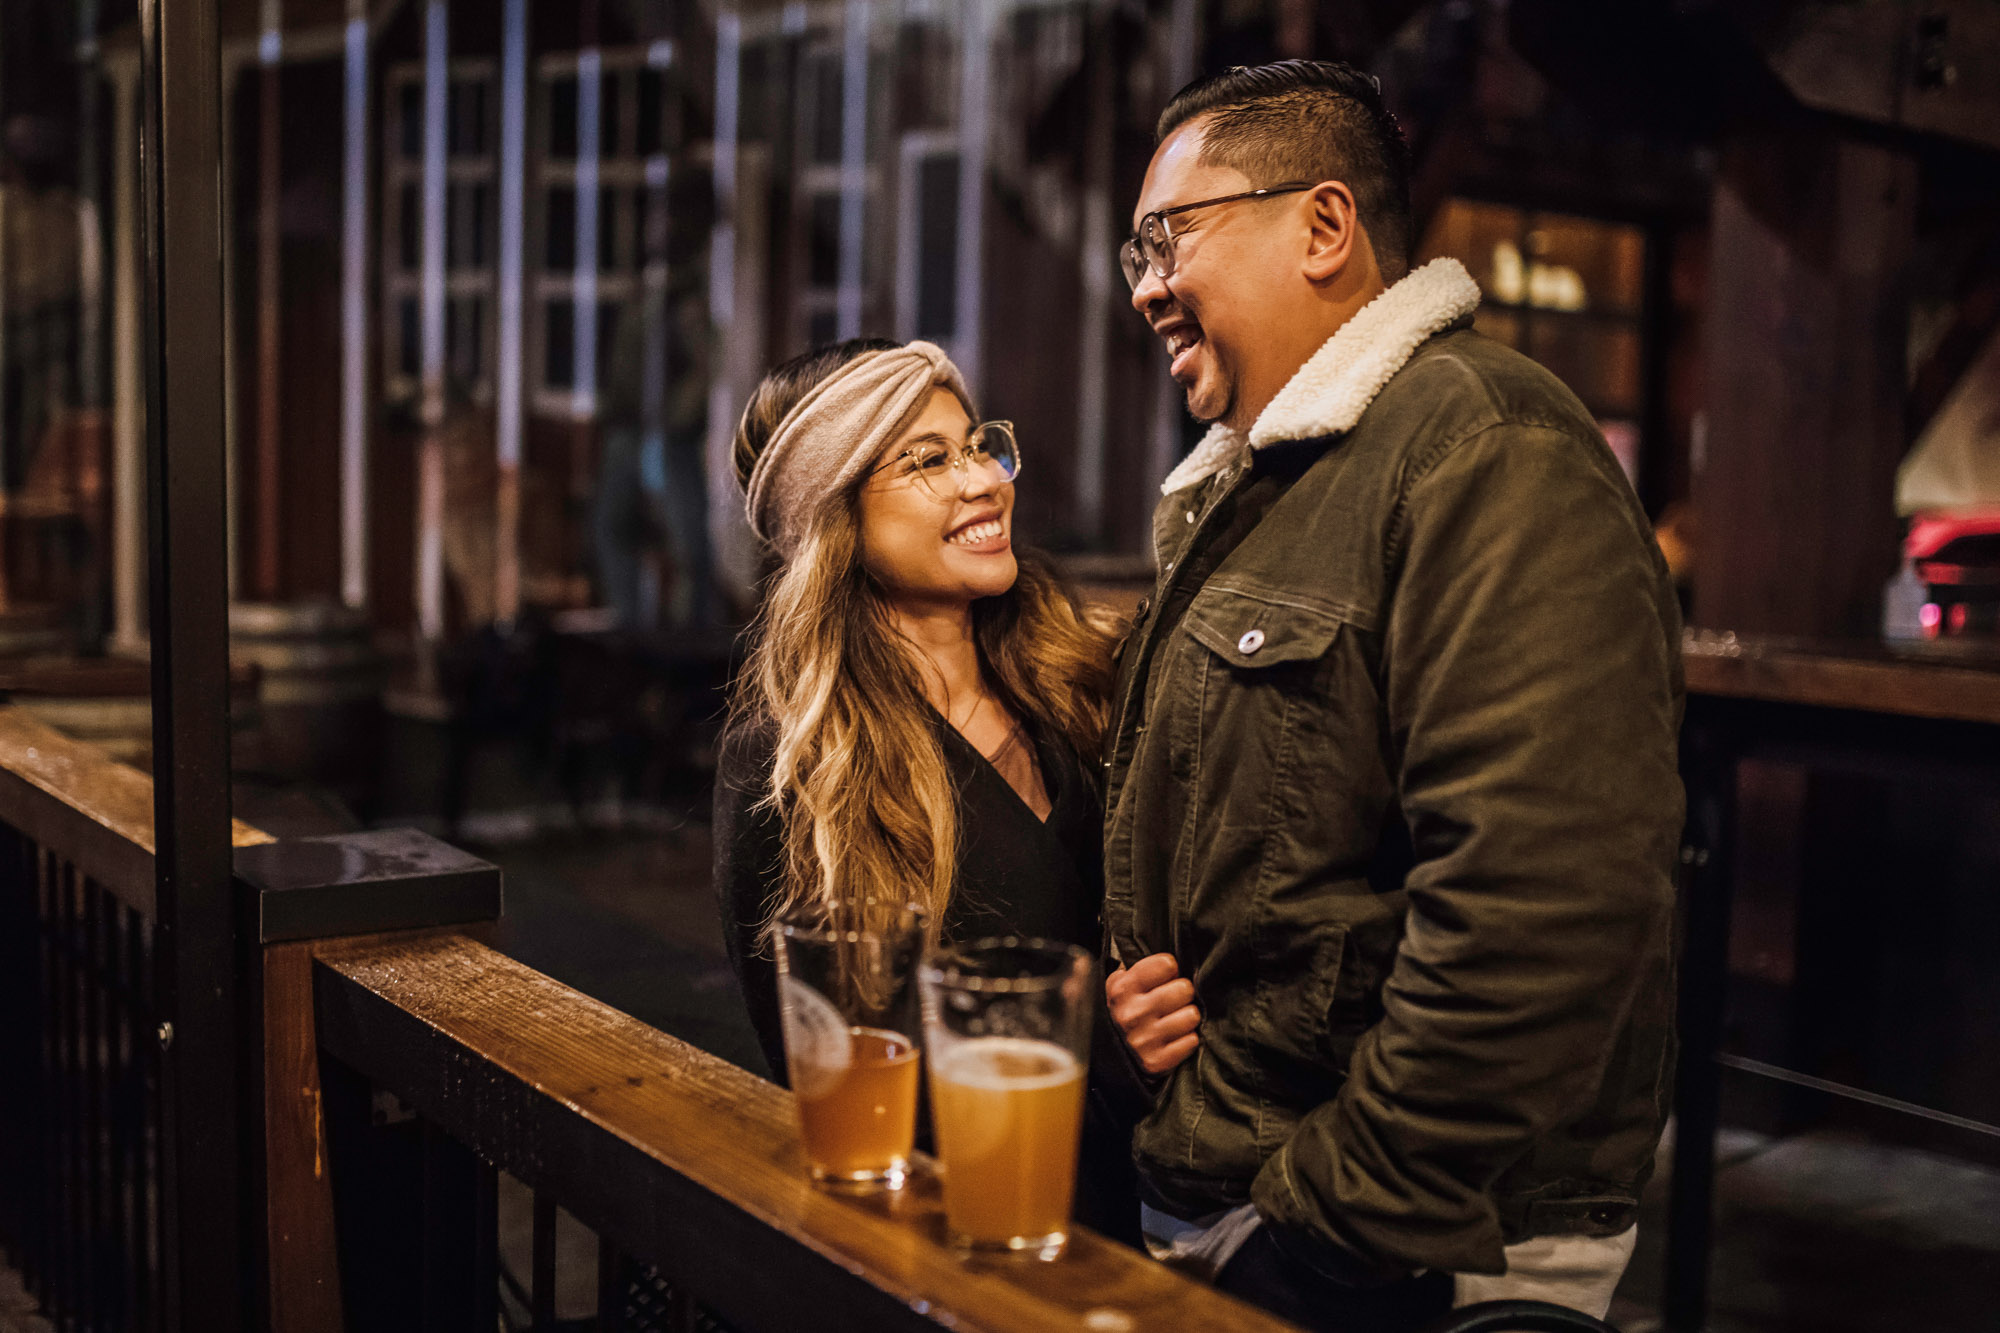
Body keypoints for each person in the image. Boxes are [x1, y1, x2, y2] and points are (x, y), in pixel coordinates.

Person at [1101, 61, 1682, 1330]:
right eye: (1132, 249)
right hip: (1261, 1199)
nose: (1143, 283)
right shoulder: (1272, 477)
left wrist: (1330, 1225)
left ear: (1323, 226)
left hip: (1402, 1254)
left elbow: (1543, 901)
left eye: (1168, 235)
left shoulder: (1484, 444)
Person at [712, 337, 1144, 1244]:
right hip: (960, 1255)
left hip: (1138, 1226)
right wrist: (1105, 1047)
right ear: (835, 519)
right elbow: (852, 1101)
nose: (983, 479)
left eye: (979, 443)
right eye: (928, 460)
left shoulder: (1072, 677)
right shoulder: (793, 769)